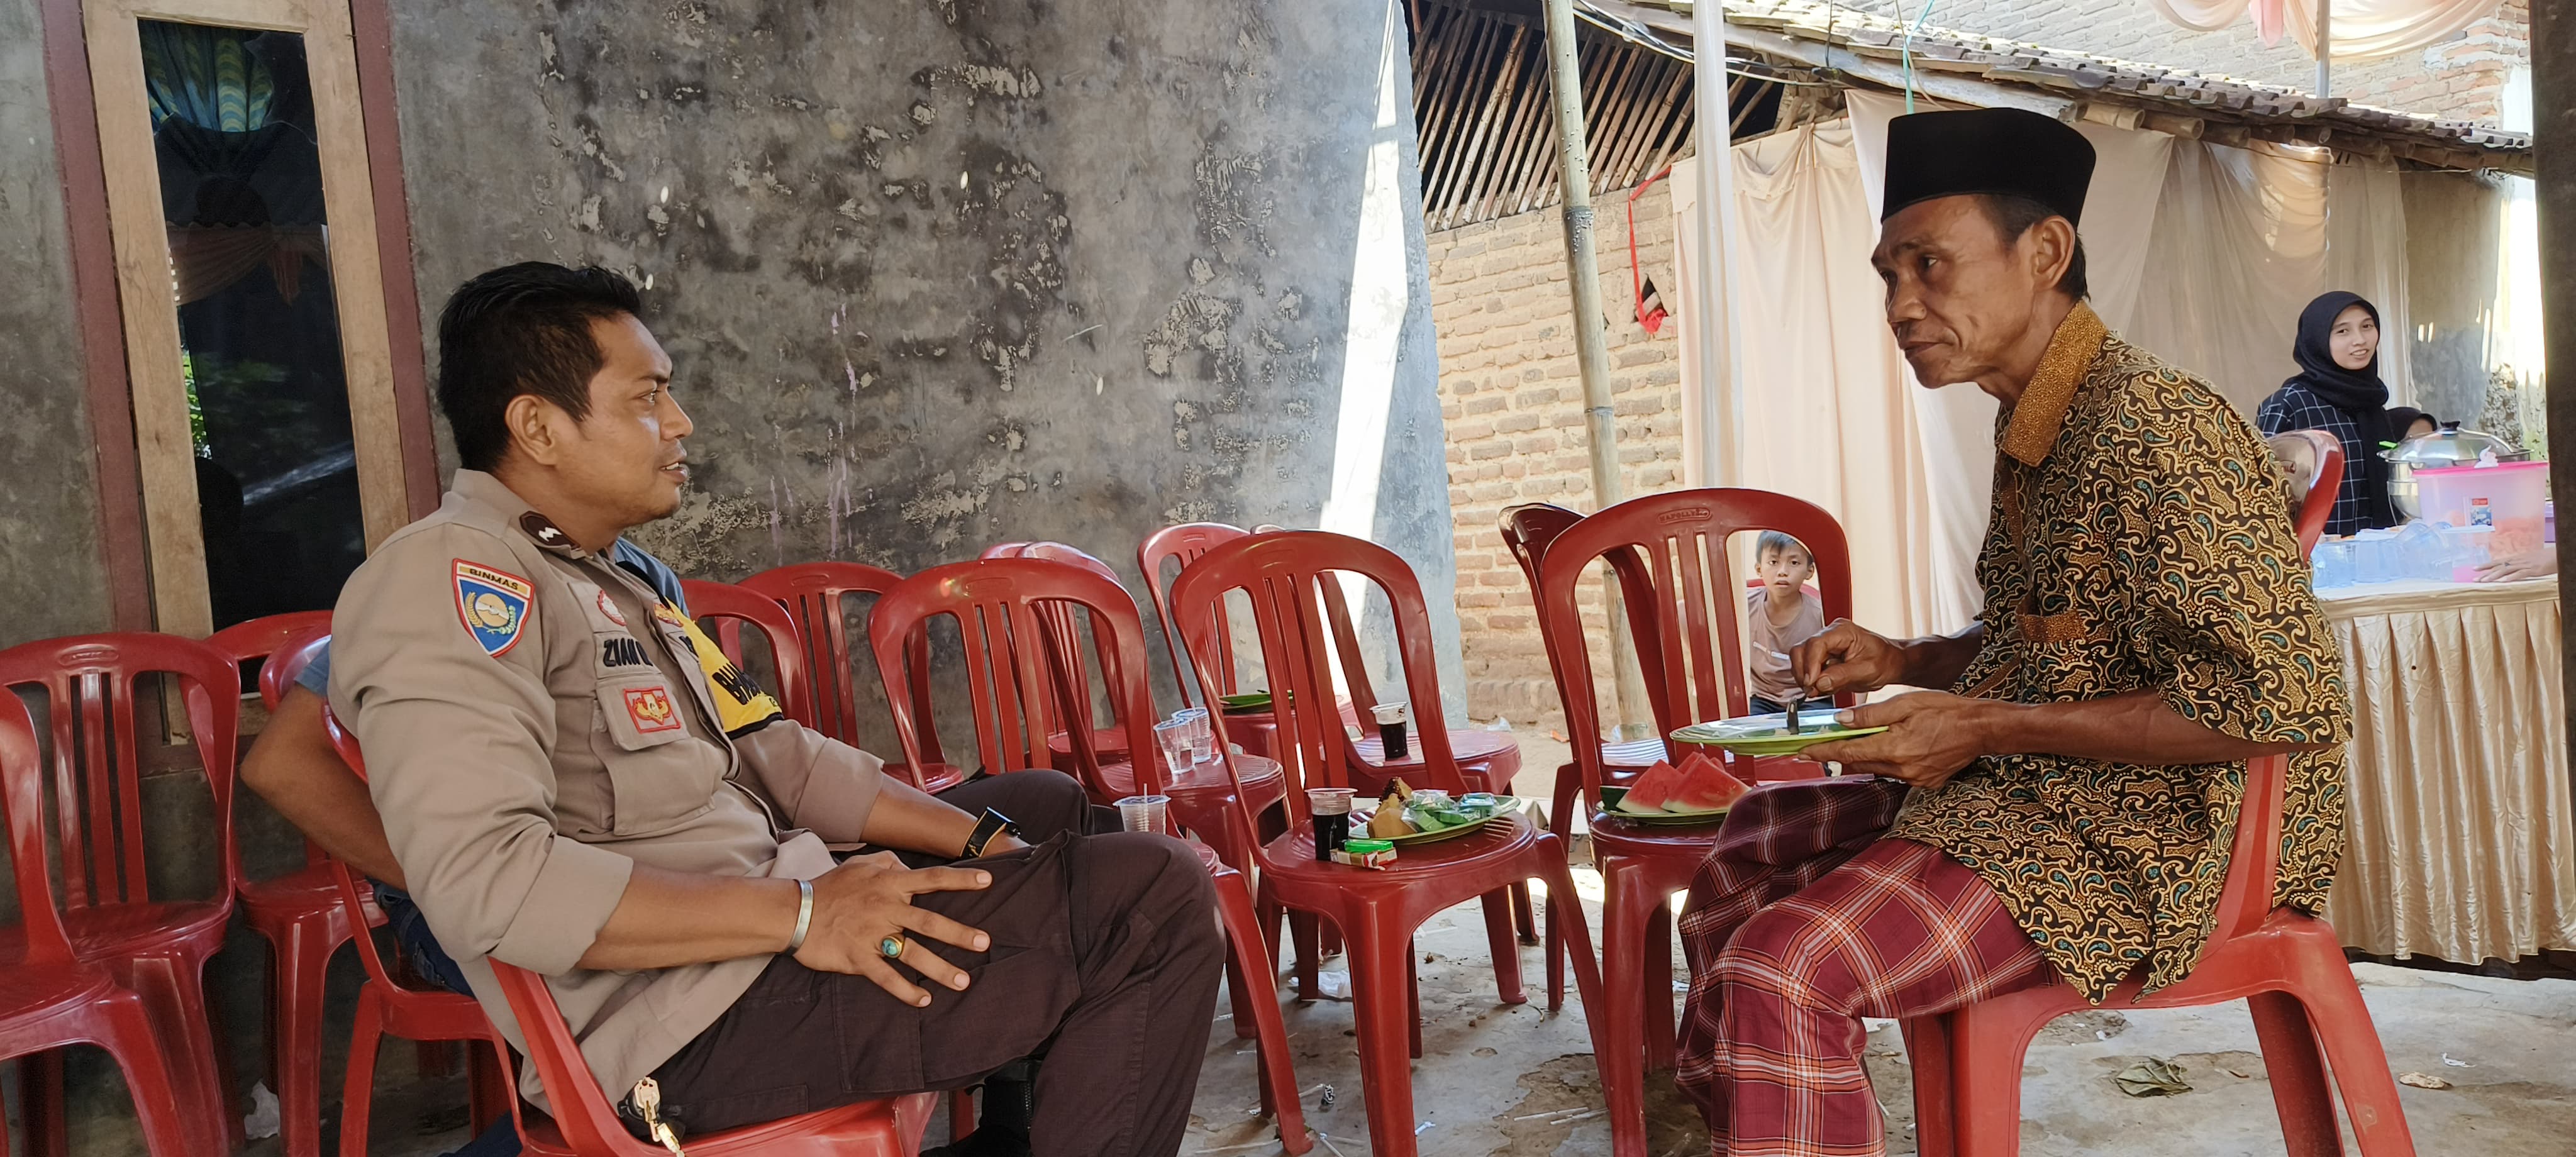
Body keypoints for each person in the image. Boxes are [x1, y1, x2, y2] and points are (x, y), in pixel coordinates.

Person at [320, 262, 1221, 1156]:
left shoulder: (615, 580)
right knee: (1154, 900)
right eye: (648, 398)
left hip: (759, 923)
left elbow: (773, 756)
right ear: (538, 427)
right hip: (686, 1020)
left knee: (1042, 807)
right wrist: (802, 913)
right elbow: (488, 884)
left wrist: (983, 843)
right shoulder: (452, 581)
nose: (681, 422)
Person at [1671, 108, 2350, 1157]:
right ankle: (1769, 1127)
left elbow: (2278, 706)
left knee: (1785, 968)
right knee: (1742, 857)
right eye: (1889, 276)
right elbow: (2049, 642)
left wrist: (1982, 726)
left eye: (1930, 265)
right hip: (2043, 795)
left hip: (2167, 838)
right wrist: (1907, 660)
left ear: (2045, 253)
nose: (1901, 305)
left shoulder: (2158, 429)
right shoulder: (2035, 419)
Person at [2257, 291, 2399, 536]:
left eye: (2367, 327)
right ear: (2318, 340)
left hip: (2376, 550)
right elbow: (2259, 488)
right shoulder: (2290, 404)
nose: (2360, 340)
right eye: (2343, 331)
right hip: (2315, 553)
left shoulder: (2371, 401)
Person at [1743, 531, 1823, 715]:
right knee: (1747, 729)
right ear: (1759, 569)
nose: (1782, 571)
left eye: (1794, 563)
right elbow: (1685, 610)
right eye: (1773, 562)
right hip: (1763, 698)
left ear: (1809, 571)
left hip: (1811, 698)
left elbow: (1853, 662)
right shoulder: (1743, 605)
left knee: (1818, 730)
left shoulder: (1821, 614)